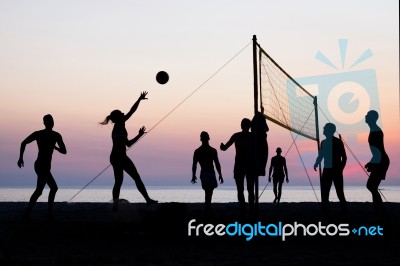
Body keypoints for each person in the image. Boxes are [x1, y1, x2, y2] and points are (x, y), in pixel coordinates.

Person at [100, 91, 157, 211]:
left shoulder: (119, 125)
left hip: (117, 156)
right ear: (119, 117)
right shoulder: (119, 126)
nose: (124, 114)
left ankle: (119, 205)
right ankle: (147, 200)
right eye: (122, 113)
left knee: (119, 181)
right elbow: (132, 111)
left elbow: (128, 143)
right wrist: (139, 99)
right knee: (132, 178)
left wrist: (139, 135)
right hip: (118, 157)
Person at [17, 114, 67, 220]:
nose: (51, 123)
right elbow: (23, 142)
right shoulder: (38, 134)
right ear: (44, 123)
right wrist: (21, 158)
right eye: (48, 121)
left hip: (46, 166)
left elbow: (64, 151)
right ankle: (48, 214)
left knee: (39, 190)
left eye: (52, 121)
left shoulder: (56, 135)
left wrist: (56, 148)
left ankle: (28, 212)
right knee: (53, 188)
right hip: (40, 165)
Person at [220, 118, 255, 217]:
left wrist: (222, 146)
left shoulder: (237, 136)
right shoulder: (253, 136)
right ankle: (250, 210)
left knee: (241, 189)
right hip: (249, 166)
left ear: (243, 125)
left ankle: (243, 210)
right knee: (250, 189)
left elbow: (224, 148)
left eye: (241, 123)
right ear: (249, 126)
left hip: (240, 165)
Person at [313, 123, 347, 219]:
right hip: (327, 170)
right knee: (325, 194)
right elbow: (321, 155)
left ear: (329, 130)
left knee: (340, 193)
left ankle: (344, 214)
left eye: (324, 128)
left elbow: (344, 157)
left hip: (335, 170)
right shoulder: (323, 142)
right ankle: (326, 214)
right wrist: (316, 163)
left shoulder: (338, 142)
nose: (323, 129)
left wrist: (341, 169)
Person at [364, 110, 390, 215]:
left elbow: (378, 151)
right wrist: (371, 162)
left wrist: (372, 163)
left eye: (367, 115)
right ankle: (378, 209)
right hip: (379, 159)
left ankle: (380, 209)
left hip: (381, 160)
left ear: (373, 118)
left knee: (371, 186)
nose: (365, 116)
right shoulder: (373, 129)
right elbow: (376, 151)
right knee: (372, 186)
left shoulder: (376, 131)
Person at [191, 131, 224, 213]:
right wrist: (193, 175)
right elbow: (194, 164)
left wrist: (220, 174)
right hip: (205, 173)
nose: (205, 139)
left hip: (211, 173)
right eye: (204, 137)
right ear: (201, 139)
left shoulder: (212, 150)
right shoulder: (198, 151)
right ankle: (208, 206)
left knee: (210, 190)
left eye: (205, 137)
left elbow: (217, 163)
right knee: (208, 190)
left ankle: (208, 205)